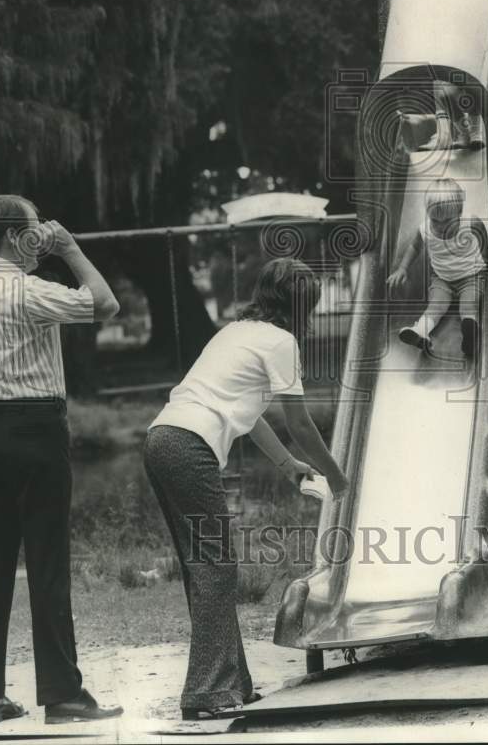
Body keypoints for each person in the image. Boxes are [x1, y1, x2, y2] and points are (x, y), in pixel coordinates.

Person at [144, 257, 349, 721]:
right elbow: (298, 420)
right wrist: (334, 475)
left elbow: (248, 411)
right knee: (217, 566)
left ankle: (230, 685)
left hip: (161, 437)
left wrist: (286, 465)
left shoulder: (236, 331)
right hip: (189, 444)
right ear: (305, 305)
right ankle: (207, 693)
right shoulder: (281, 341)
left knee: (205, 567)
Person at [0, 194, 124, 726]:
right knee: (47, 563)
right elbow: (106, 304)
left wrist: (30, 248)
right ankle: (63, 694)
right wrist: (67, 248)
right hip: (36, 430)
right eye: (33, 230)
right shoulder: (27, 292)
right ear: (16, 236)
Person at [387, 178, 488, 363]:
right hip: (442, 279)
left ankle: (470, 333)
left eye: (447, 221)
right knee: (436, 306)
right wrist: (402, 268)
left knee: (469, 304)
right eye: (435, 220)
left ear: (459, 213)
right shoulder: (425, 230)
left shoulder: (471, 224)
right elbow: (414, 248)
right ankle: (420, 332)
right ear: (428, 214)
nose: (441, 227)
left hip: (471, 277)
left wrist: (487, 265)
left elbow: (484, 240)